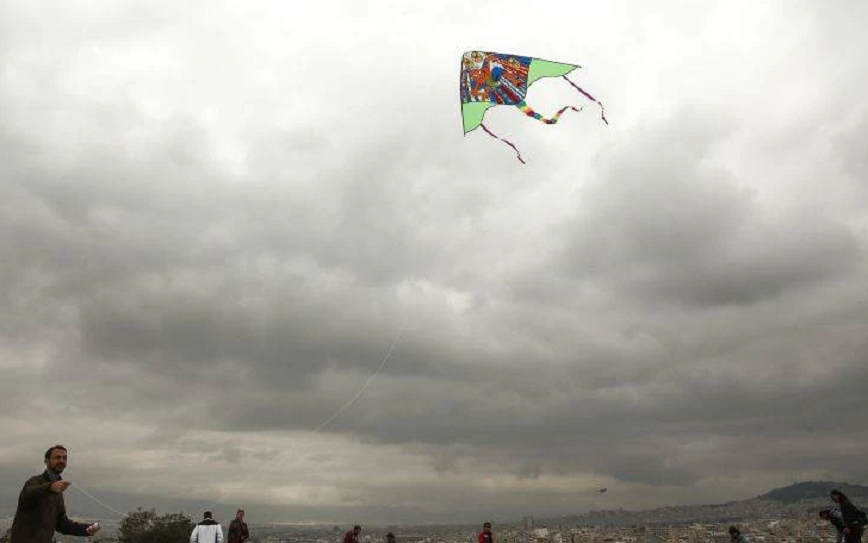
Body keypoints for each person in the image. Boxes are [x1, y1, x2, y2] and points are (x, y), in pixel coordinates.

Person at [8, 445, 100, 543]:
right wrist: (50, 487)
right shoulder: (34, 482)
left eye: (64, 458)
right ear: (46, 461)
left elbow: (62, 525)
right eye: (57, 457)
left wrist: (86, 529)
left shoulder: (58, 491)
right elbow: (29, 494)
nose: (62, 460)